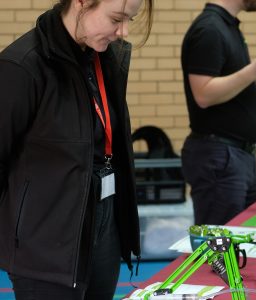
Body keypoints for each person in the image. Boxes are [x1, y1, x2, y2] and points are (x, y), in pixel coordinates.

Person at [0, 0, 153, 299]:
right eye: (116, 19)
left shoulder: (101, 58)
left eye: (129, 20)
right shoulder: (21, 65)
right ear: (82, 3)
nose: (122, 31)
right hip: (45, 239)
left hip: (103, 218)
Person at [181, 0, 256, 226]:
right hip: (221, 158)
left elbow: (234, 87)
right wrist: (254, 69)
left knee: (238, 241)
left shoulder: (227, 27)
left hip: (235, 156)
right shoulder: (209, 30)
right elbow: (204, 94)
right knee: (221, 247)